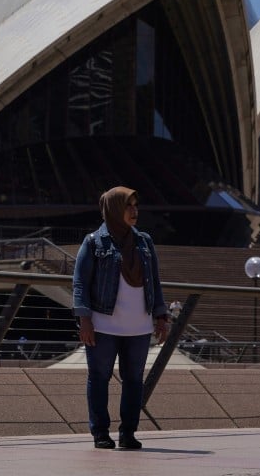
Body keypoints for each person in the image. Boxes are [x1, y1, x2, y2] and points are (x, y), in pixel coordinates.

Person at [72, 186, 170, 450]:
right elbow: (80, 283)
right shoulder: (94, 242)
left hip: (138, 325)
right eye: (128, 206)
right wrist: (84, 320)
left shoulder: (144, 241)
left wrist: (161, 316)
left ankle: (128, 432)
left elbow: (156, 282)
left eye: (136, 205)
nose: (134, 211)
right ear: (114, 208)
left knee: (135, 381)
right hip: (103, 324)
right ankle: (100, 433)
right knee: (99, 378)